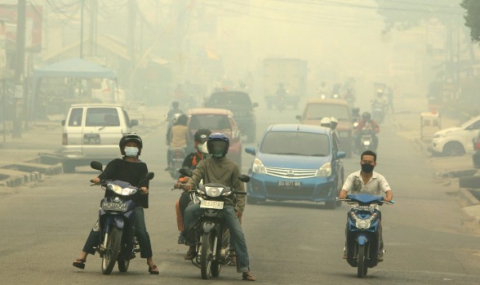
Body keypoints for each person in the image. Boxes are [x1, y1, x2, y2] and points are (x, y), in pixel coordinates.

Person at [72, 133, 159, 274]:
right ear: (122, 148)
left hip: (133, 203)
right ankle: (82, 256)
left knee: (141, 232)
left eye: (134, 146)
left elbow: (144, 182)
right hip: (113, 201)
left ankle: (150, 262)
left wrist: (143, 188)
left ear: (139, 149)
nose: (131, 148)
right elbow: (105, 174)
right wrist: (98, 179)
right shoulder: (116, 163)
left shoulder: (142, 166)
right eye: (128, 146)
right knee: (97, 226)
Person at [176, 133, 256, 281]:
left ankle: (245, 269)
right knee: (188, 211)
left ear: (225, 148)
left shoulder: (232, 166)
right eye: (214, 145)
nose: (217, 148)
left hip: (226, 204)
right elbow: (194, 178)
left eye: (220, 145)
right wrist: (188, 186)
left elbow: (240, 188)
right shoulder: (204, 164)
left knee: (238, 233)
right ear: (210, 147)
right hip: (206, 201)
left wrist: (239, 208)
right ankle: (192, 244)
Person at [338, 150, 393, 261]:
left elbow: (388, 191)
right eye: (365, 161)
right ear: (360, 162)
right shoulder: (353, 177)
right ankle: (346, 248)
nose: (367, 163)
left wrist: (388, 198)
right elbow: (343, 191)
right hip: (355, 209)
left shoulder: (379, 178)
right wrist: (343, 195)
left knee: (378, 228)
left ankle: (379, 250)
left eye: (370, 161)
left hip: (373, 210)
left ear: (374, 164)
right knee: (349, 227)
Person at [175, 128, 212, 244]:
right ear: (195, 143)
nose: (202, 145)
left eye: (206, 142)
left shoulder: (216, 159)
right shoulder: (190, 158)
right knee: (181, 202)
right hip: (194, 189)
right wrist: (183, 181)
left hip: (212, 190)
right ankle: (185, 231)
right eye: (200, 142)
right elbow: (182, 175)